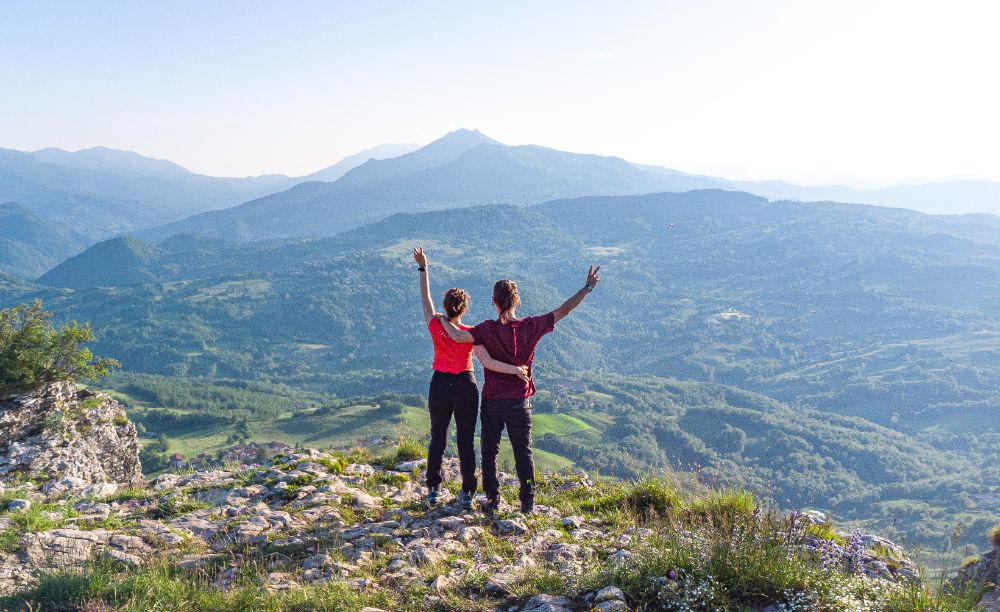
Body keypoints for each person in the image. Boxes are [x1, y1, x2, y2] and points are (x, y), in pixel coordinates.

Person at [438, 265, 601, 514]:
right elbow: (563, 310)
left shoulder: (486, 329)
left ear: (494, 302)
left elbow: (457, 336)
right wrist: (587, 288)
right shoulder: (531, 326)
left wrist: (440, 319)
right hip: (519, 402)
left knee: (489, 452)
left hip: (492, 401)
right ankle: (528, 502)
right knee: (523, 454)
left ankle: (492, 498)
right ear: (517, 301)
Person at [412, 247, 529, 510]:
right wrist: (515, 368)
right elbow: (487, 360)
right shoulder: (471, 332)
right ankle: (467, 490)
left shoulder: (435, 324)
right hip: (466, 385)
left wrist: (423, 267)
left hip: (440, 383)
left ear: (445, 307)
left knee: (438, 437)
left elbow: (425, 297)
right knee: (465, 439)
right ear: (465, 309)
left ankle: (433, 487)